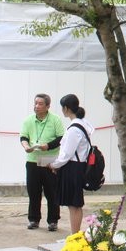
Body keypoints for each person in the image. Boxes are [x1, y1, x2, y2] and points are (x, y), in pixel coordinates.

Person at [19, 93, 65, 231]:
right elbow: (23, 137)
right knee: (33, 192)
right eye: (35, 103)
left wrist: (48, 146)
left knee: (52, 192)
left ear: (47, 106)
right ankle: (33, 219)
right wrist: (26, 146)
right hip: (32, 160)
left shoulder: (55, 120)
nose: (37, 106)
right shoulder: (28, 120)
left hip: (49, 161)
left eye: (40, 104)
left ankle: (53, 221)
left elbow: (61, 138)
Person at [50, 94, 92, 234]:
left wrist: (54, 164)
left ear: (66, 108)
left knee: (74, 204)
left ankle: (75, 235)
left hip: (73, 167)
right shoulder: (83, 124)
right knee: (74, 204)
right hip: (78, 166)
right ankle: (75, 234)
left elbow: (67, 153)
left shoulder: (74, 129)